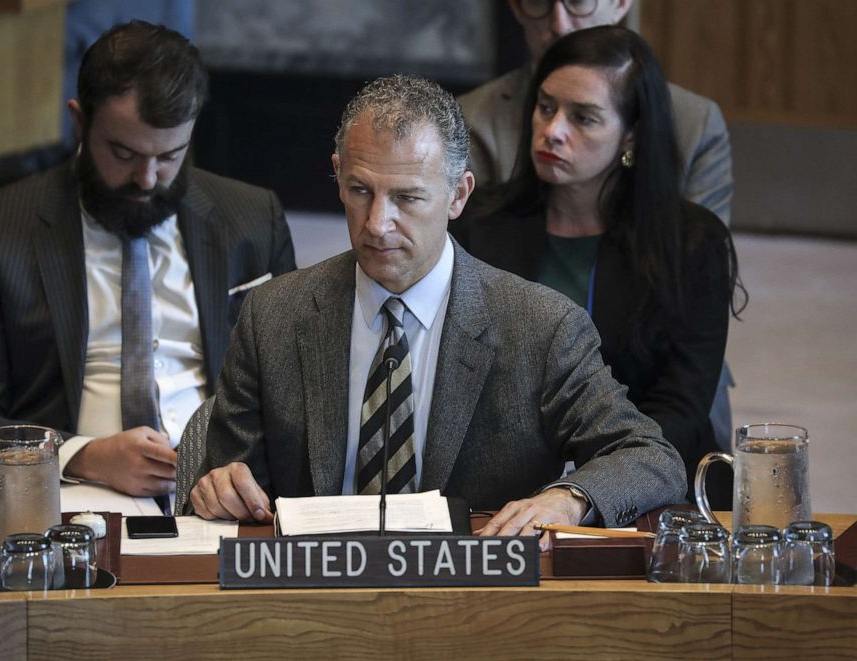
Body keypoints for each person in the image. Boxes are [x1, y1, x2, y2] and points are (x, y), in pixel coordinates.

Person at [183, 74, 687, 546]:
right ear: (337, 177)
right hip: (313, 598)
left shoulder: (541, 327)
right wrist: (218, 488)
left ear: (457, 195)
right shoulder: (275, 314)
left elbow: (650, 456)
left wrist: (570, 497)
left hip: (472, 602)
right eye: (361, 191)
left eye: (407, 198)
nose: (378, 223)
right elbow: (227, 486)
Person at [0, 21, 296, 521]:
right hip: (62, 499)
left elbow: (290, 392)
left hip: (220, 494)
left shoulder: (253, 219)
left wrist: (233, 465)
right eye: (123, 153)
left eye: (169, 156)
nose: (147, 180)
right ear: (79, 122)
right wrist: (86, 456)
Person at [453, 26, 744, 508]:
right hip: (501, 485)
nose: (553, 131)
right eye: (545, 107)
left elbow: (680, 405)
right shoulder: (477, 224)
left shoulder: (692, 242)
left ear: (631, 133)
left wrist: (588, 490)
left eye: (583, 118)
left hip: (650, 484)